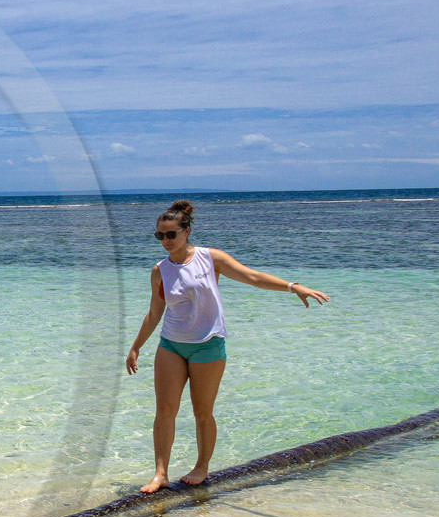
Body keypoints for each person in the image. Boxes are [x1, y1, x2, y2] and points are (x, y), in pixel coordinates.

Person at [126, 199, 329, 493]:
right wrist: (136, 347)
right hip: (171, 345)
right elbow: (155, 312)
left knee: (202, 412)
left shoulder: (210, 258)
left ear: (186, 231)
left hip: (208, 345)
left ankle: (201, 467)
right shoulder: (160, 270)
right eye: (160, 235)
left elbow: (251, 276)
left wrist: (292, 286)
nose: (165, 241)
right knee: (165, 410)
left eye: (171, 234)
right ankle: (160, 474)